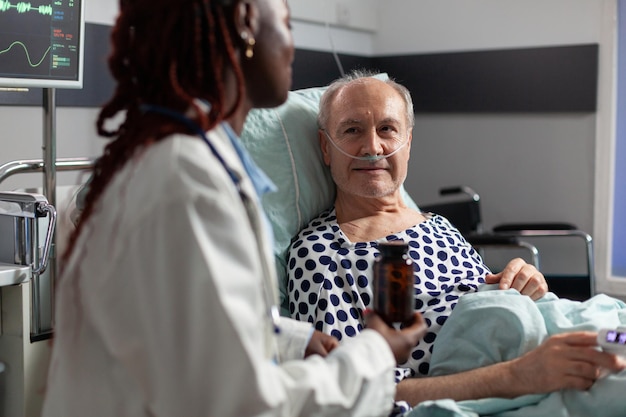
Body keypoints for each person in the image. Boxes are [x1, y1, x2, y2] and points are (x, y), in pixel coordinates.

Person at [41, 3, 427, 417]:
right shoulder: (186, 184)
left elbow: (185, 330)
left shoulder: (192, 161)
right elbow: (243, 404)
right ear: (245, 23)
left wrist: (286, 337)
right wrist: (374, 354)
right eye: (285, 24)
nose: (292, 47)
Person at [286, 70, 625, 411]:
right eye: (352, 130)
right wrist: (519, 376)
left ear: (408, 144)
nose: (373, 147)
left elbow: (486, 310)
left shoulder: (440, 227)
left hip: (548, 347)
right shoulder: (321, 253)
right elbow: (353, 394)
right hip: (513, 385)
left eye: (387, 129)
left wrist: (523, 285)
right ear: (325, 148)